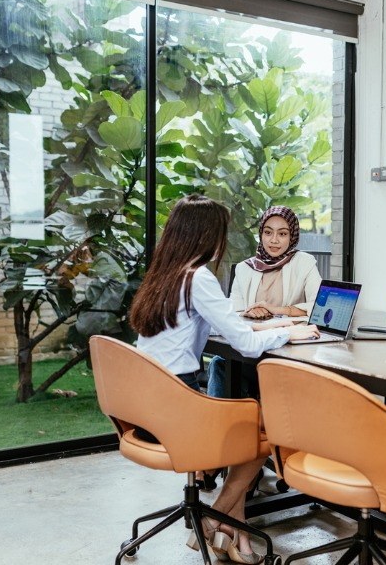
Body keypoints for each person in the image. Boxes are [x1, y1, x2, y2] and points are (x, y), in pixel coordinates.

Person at [129, 194, 319, 564]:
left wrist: (278, 323)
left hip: (145, 408)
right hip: (174, 411)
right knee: (269, 427)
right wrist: (289, 333)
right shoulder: (198, 278)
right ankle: (213, 516)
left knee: (245, 427)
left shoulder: (165, 274)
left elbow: (229, 326)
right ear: (206, 236)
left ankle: (234, 529)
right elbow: (247, 344)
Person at [207, 205, 322, 400]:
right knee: (220, 363)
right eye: (268, 232)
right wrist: (248, 313)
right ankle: (221, 422)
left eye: (282, 233)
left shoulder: (305, 263)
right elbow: (233, 313)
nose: (274, 240)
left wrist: (275, 310)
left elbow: (319, 308)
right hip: (254, 349)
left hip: (290, 353)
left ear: (292, 236)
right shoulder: (244, 268)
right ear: (261, 234)